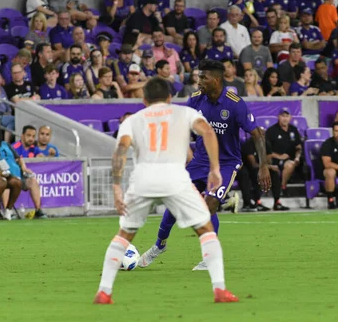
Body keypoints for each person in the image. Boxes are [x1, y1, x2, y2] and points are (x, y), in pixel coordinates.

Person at [94, 77, 238, 304]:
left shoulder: (133, 120)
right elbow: (209, 133)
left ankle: (104, 292)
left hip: (142, 180)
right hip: (175, 179)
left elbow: (120, 151)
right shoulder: (183, 113)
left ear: (144, 99)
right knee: (206, 229)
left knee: (124, 235)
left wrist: (116, 187)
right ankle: (219, 290)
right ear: (170, 98)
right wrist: (215, 170)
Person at [137, 60, 271, 271]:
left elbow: (256, 133)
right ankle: (159, 246)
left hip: (226, 163)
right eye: (199, 77)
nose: (199, 81)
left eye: (203, 78)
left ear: (216, 80)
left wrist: (263, 166)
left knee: (209, 205)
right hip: (201, 161)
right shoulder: (197, 100)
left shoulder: (234, 103)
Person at [0, 140, 47, 219]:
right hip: (5, 175)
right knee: (6, 183)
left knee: (33, 181)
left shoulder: (6, 144)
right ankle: (7, 211)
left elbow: (18, 158)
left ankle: (38, 210)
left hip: (18, 175)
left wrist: (24, 167)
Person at [265, 107, 301, 203]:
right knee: (288, 164)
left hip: (291, 159)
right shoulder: (271, 131)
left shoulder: (293, 130)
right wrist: (279, 156)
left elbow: (298, 147)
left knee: (291, 164)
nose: (285, 118)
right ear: (278, 117)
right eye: (282, 116)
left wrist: (297, 157)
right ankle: (281, 187)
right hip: (275, 159)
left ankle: (282, 186)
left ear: (290, 117)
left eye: (287, 116)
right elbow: (265, 150)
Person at [237, 137, 280, 212]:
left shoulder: (266, 144)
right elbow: (253, 164)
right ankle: (251, 202)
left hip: (260, 167)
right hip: (248, 168)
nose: (262, 135)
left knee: (274, 172)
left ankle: (277, 202)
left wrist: (268, 166)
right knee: (253, 173)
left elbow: (269, 161)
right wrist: (267, 166)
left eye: (263, 134)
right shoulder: (248, 144)